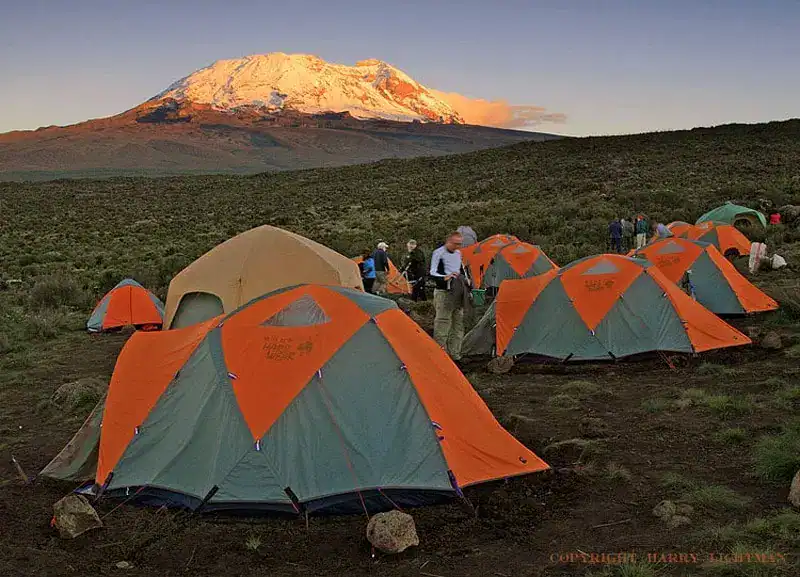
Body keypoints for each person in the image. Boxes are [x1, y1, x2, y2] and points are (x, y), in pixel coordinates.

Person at [429, 232, 470, 362]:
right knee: (443, 323)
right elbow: (432, 273)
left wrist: (466, 280)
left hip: (457, 293)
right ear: (449, 241)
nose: (458, 246)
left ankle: (455, 354)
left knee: (458, 325)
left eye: (460, 244)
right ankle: (441, 356)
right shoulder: (438, 254)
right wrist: (444, 278)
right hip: (444, 293)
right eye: (456, 243)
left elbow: (461, 270)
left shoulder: (458, 254)